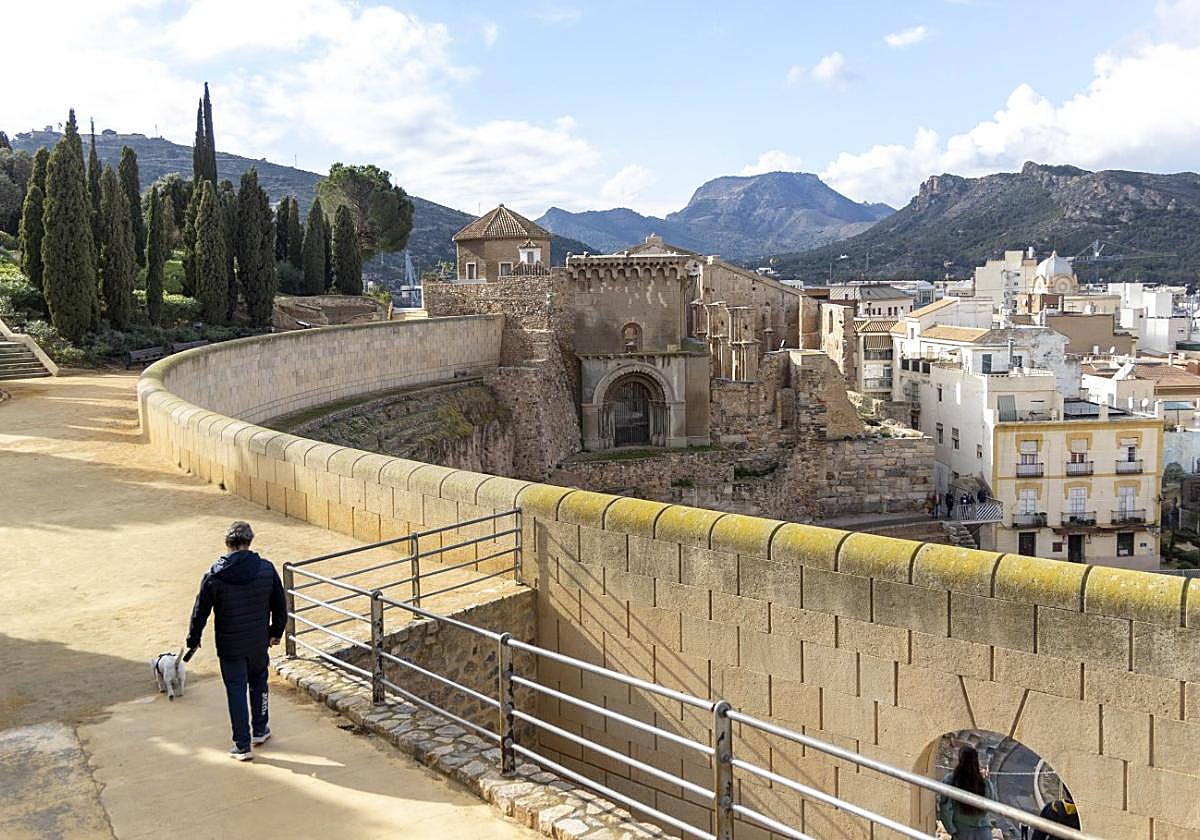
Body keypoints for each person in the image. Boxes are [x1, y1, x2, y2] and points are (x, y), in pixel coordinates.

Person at [186, 521, 287, 761]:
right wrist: (276, 632)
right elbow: (280, 605)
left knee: (236, 691)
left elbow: (200, 611)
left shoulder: (214, 575)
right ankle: (260, 729)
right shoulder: (266, 569)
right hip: (257, 642)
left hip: (230, 646)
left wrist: (194, 639)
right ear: (249, 541)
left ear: (227, 544)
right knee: (259, 683)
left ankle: (242, 744)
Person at [936, 745, 998, 840]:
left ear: (960, 759)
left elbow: (945, 808)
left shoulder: (951, 780)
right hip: (983, 832)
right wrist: (988, 780)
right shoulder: (982, 781)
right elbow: (993, 803)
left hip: (962, 831)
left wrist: (951, 830)